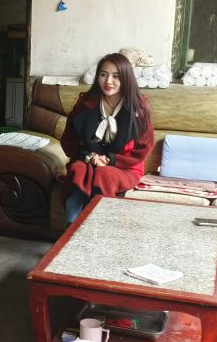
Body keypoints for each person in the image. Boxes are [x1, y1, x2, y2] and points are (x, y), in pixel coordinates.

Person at [60, 52, 155, 225]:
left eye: (116, 76)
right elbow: (69, 140)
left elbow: (143, 148)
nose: (108, 81)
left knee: (104, 174)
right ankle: (71, 227)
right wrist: (88, 156)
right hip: (90, 160)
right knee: (78, 170)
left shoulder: (139, 109)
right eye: (103, 74)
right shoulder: (85, 104)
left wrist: (110, 160)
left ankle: (98, 228)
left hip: (125, 166)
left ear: (126, 78)